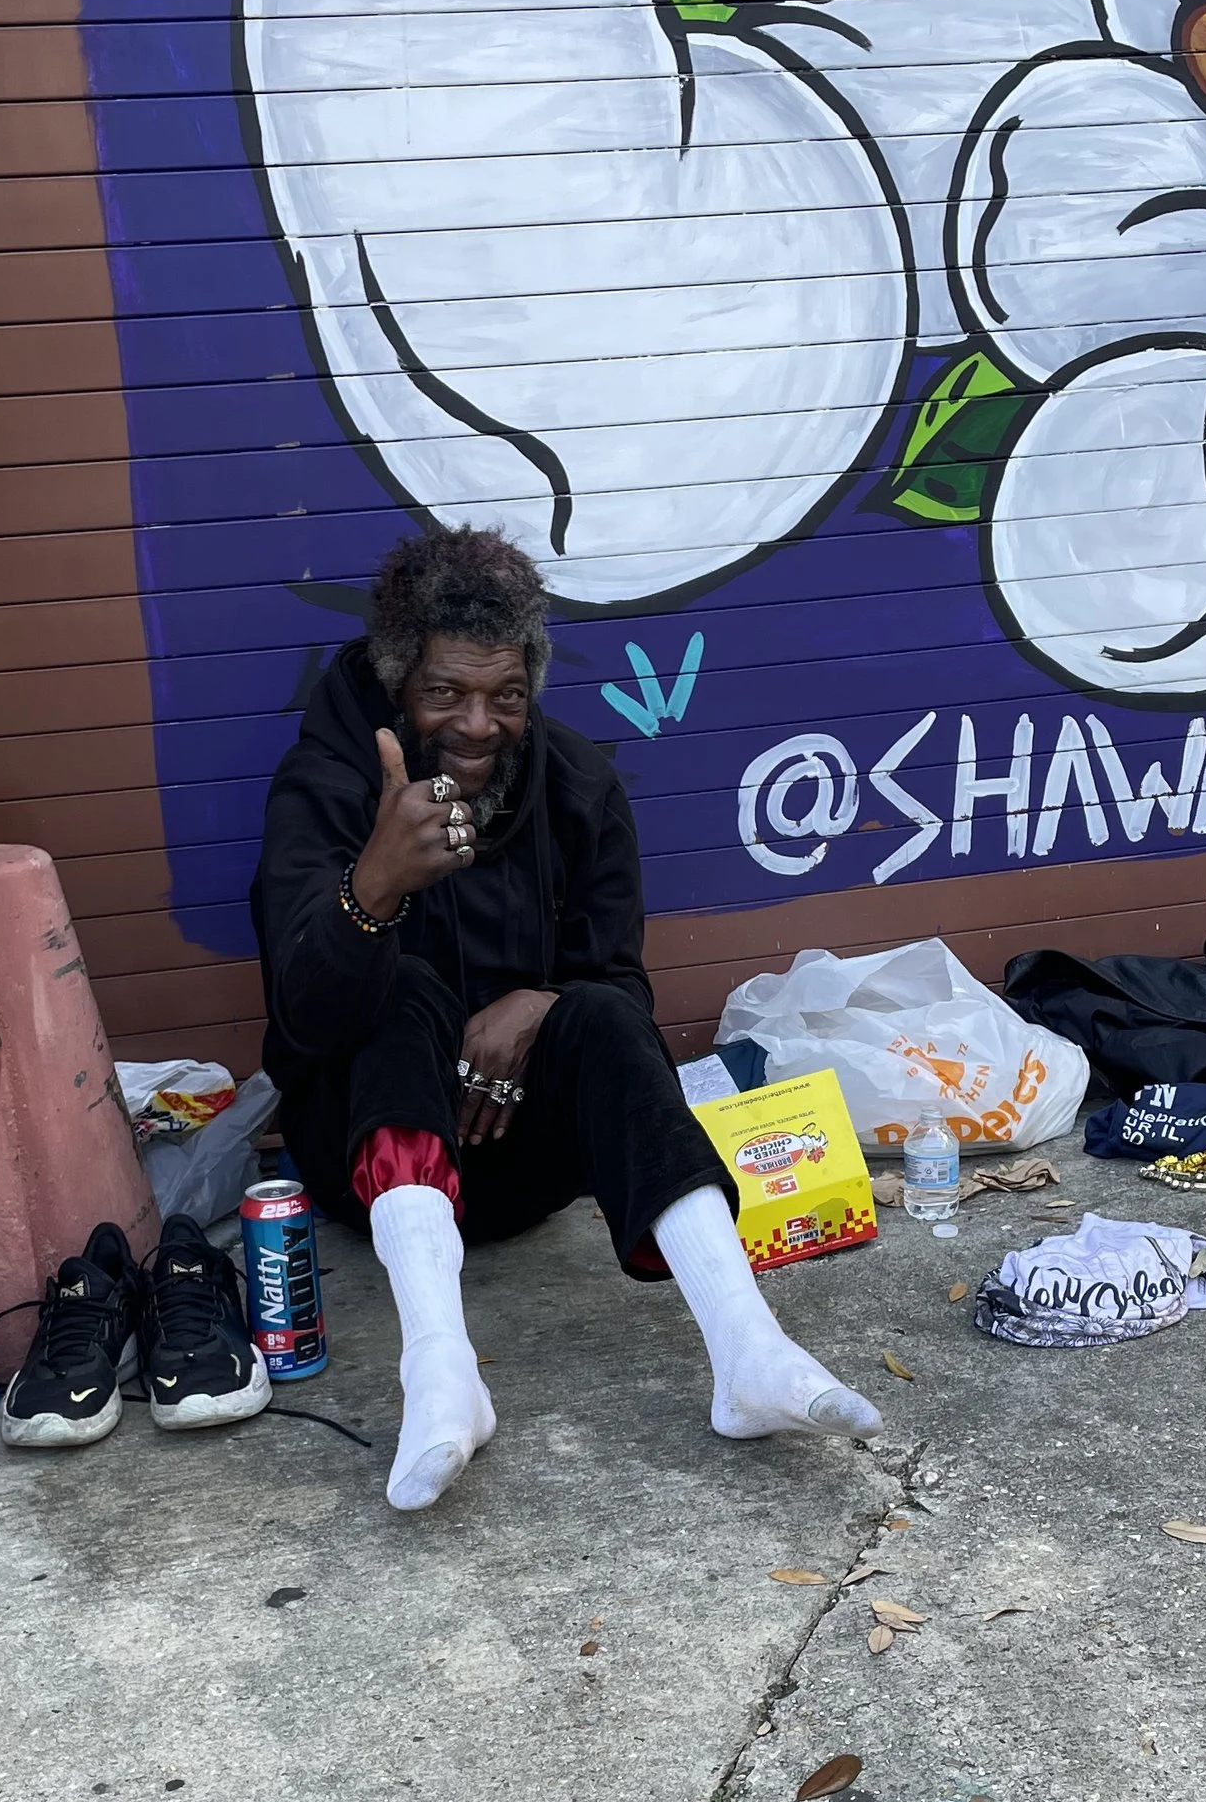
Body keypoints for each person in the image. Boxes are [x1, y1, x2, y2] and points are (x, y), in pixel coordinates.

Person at [253, 526, 880, 1509]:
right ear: (393, 687)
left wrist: (540, 1007)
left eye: (505, 696)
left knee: (594, 1013)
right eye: (444, 695)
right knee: (401, 988)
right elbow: (298, 1026)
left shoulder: (577, 785)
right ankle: (440, 1368)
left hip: (520, 1163)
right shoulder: (324, 787)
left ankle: (748, 1352)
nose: (477, 724)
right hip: (371, 1163)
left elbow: (620, 995)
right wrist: (373, 887)